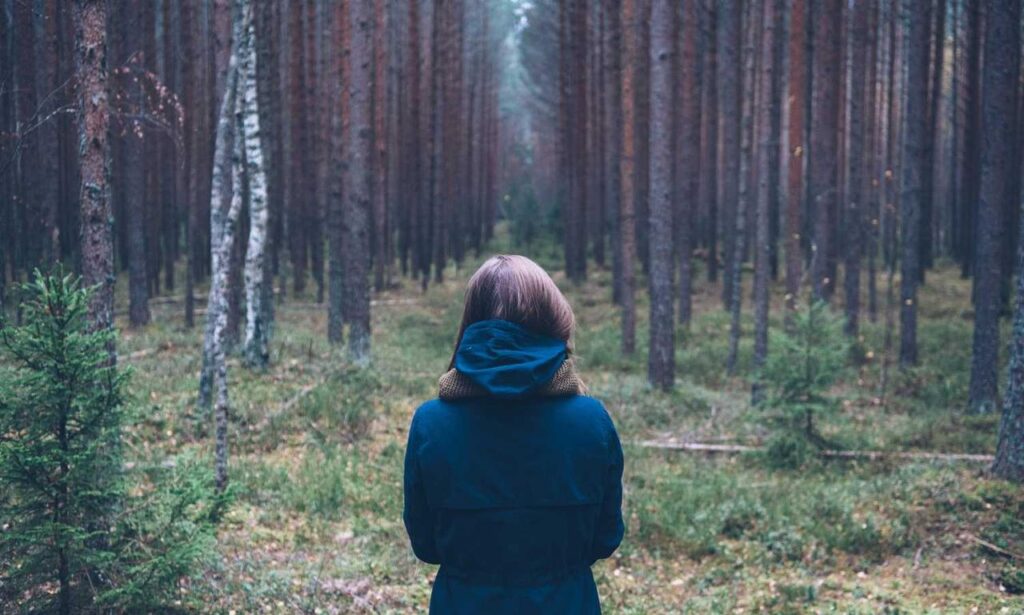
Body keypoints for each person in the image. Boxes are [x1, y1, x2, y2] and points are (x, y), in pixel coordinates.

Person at [403, 255, 625, 614]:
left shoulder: (431, 423)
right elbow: (606, 538)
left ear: (471, 322)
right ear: (552, 320)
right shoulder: (592, 421)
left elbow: (426, 546)